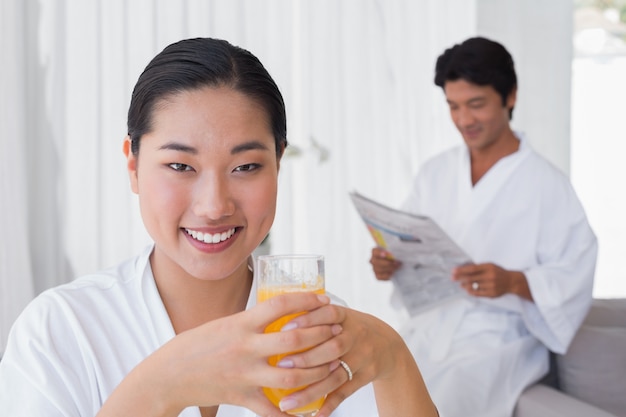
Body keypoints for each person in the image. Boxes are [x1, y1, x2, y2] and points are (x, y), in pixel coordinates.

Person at [0, 38, 438, 417]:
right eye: (179, 166)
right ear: (132, 166)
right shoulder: (60, 329)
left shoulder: (324, 337)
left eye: (246, 166)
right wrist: (162, 384)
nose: (214, 206)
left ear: (279, 163)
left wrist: (394, 357)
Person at [369, 36, 598, 417]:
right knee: (371, 389)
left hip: (499, 340)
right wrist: (389, 263)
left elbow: (574, 272)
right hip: (430, 328)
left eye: (476, 105)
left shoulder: (548, 185)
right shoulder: (436, 172)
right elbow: (407, 244)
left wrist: (513, 282)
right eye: (453, 106)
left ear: (510, 97)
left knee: (451, 397)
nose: (464, 120)